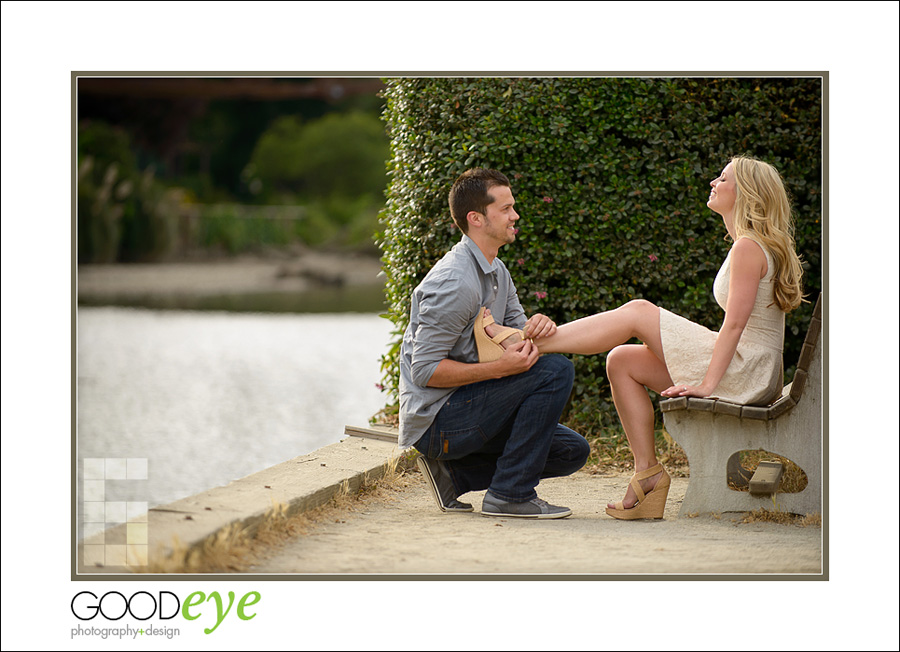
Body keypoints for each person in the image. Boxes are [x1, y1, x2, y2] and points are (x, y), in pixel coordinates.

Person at [483, 155, 804, 520]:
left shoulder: (748, 247)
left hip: (744, 373)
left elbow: (733, 327)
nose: (713, 182)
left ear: (746, 192)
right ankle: (647, 473)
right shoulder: (755, 244)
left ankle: (526, 344)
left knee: (637, 311)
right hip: (750, 371)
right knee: (622, 360)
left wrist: (707, 385)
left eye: (723, 179)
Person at [399, 168, 590, 519]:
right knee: (556, 371)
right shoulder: (456, 283)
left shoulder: (497, 270)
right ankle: (509, 495)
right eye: (505, 209)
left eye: (512, 207)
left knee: (571, 451)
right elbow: (424, 371)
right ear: (476, 218)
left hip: (467, 408)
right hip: (436, 422)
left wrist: (537, 326)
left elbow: (515, 333)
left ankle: (454, 476)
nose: (515, 215)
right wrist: (499, 369)